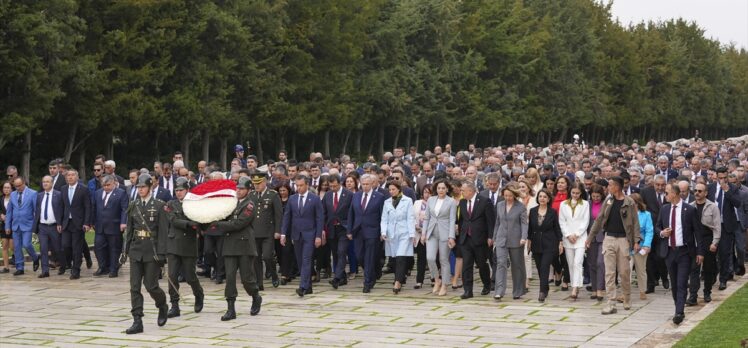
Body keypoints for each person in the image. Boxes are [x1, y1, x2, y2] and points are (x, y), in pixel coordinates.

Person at [205, 176, 263, 320]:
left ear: (248, 190)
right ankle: (231, 309)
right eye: (237, 188)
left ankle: (255, 295)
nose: (239, 191)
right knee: (230, 277)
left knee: (246, 279)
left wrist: (218, 225)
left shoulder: (250, 205)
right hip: (230, 245)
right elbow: (223, 215)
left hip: (244, 246)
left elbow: (239, 224)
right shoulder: (232, 203)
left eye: (242, 189)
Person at [121, 173, 169, 334]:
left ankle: (162, 305)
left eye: (143, 187)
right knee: (134, 287)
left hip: (152, 250)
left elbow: (163, 232)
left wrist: (162, 254)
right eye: (138, 187)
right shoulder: (134, 205)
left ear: (150, 187)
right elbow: (129, 229)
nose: (140, 190)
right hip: (136, 249)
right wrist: (125, 250)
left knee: (151, 286)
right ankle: (137, 320)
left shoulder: (160, 205)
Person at [587, 176, 641, 315]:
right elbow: (599, 219)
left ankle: (627, 297)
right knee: (609, 273)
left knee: (624, 272)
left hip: (623, 240)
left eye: (610, 185)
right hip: (609, 238)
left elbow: (635, 222)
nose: (608, 187)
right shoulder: (608, 200)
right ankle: (610, 303)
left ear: (617, 186)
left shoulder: (629, 202)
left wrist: (636, 241)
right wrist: (590, 236)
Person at [656, 183, 704, 325]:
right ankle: (679, 305)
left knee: (682, 282)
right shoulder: (664, 209)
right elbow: (657, 225)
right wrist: (662, 233)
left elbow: (698, 232)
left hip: (684, 251)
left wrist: (700, 252)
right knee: (675, 283)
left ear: (675, 194)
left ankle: (679, 312)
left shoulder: (689, 209)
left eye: (667, 192)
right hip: (669, 251)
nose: (665, 195)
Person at [164, 177, 204, 318]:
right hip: (174, 243)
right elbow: (173, 219)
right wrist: (189, 223)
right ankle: (174, 305)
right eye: (177, 190)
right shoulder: (170, 203)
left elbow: (200, 219)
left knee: (190, 276)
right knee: (172, 276)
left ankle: (198, 294)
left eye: (181, 190)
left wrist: (195, 223)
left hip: (189, 243)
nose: (179, 193)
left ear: (187, 190)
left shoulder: (194, 204)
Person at [281, 175, 324, 297]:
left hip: (310, 234)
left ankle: (303, 286)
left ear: (307, 185)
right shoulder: (292, 199)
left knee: (306, 259)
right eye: (296, 185)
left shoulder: (314, 199)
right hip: (296, 234)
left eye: (301, 185)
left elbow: (320, 218)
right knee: (300, 261)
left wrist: (318, 236)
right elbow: (287, 217)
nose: (298, 188)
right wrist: (284, 233)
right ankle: (308, 286)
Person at [456, 181, 495, 299]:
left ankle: (487, 284)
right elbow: (461, 220)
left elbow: (490, 221)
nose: (461, 193)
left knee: (481, 264)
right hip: (466, 238)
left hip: (480, 239)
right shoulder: (462, 202)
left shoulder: (484, 201)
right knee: (467, 265)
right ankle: (468, 290)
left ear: (471, 191)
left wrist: (490, 236)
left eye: (463, 190)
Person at [348, 174, 386, 293]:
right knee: (360, 256)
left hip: (372, 231)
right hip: (358, 230)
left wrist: (382, 231)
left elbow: (382, 216)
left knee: (369, 257)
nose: (365, 186)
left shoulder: (379, 197)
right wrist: (349, 230)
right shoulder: (356, 196)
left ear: (372, 184)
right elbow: (351, 214)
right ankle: (373, 273)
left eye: (367, 184)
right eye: (363, 184)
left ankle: (368, 282)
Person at [707, 166, 742, 290]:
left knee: (724, 254)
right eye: (720, 178)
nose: (722, 180)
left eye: (724, 178)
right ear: (716, 177)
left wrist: (727, 192)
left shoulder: (732, 188)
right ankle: (711, 277)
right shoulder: (710, 188)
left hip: (726, 226)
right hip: (711, 226)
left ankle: (723, 279)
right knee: (711, 254)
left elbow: (738, 203)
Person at [687, 181, 721, 305]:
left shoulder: (713, 207)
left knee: (708, 268)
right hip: (695, 240)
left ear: (706, 193)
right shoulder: (690, 206)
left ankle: (707, 292)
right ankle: (693, 296)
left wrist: (715, 242)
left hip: (708, 239)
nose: (697, 193)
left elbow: (717, 227)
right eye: (695, 190)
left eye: (700, 191)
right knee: (694, 269)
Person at [493, 184, 528, 300]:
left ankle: (518, 290)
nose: (507, 198)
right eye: (505, 195)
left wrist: (523, 237)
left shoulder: (521, 207)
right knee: (501, 263)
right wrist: (494, 238)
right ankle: (499, 291)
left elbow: (524, 223)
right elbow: (497, 222)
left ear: (515, 195)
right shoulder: (499, 205)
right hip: (501, 238)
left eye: (510, 196)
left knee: (517, 265)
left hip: (516, 239)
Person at [248, 171, 283, 290]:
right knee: (256, 259)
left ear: (265, 181)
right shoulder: (251, 195)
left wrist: (278, 230)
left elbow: (278, 215)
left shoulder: (273, 194)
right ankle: (259, 283)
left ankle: (273, 274)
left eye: (259, 183)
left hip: (268, 232)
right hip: (254, 232)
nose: (256, 185)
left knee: (267, 256)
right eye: (254, 183)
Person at [380, 180, 415, 294]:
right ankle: (400, 277)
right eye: (389, 190)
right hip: (392, 234)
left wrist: (411, 234)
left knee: (401, 257)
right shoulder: (387, 202)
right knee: (394, 258)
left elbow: (410, 218)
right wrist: (383, 232)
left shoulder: (408, 201)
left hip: (404, 232)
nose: (391, 192)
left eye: (393, 189)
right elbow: (384, 219)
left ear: (399, 189)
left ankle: (397, 282)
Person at [527, 189, 562, 302]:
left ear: (548, 199)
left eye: (544, 197)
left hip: (549, 243)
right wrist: (529, 240)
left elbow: (557, 228)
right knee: (539, 267)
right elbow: (530, 229)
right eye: (540, 196)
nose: (542, 198)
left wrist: (560, 242)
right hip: (536, 243)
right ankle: (545, 287)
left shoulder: (552, 212)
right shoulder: (532, 211)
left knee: (545, 266)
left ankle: (541, 292)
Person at [422, 180, 456, 296]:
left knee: (443, 260)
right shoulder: (431, 200)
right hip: (431, 232)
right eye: (439, 188)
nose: (441, 190)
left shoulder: (451, 202)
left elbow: (452, 220)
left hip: (445, 233)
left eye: (443, 188)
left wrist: (451, 236)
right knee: (430, 258)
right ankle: (437, 279)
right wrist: (423, 233)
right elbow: (427, 217)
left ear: (447, 189)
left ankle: (445, 285)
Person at [92, 175, 129, 277]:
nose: (106, 187)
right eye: (104, 185)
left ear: (113, 183)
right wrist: (92, 222)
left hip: (114, 226)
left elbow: (124, 209)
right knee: (98, 247)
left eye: (108, 185)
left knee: (114, 249)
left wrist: (123, 222)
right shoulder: (97, 193)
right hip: (100, 226)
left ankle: (113, 269)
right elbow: (94, 208)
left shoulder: (121, 193)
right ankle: (102, 267)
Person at [558, 182, 590, 300]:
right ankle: (574, 284)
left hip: (580, 238)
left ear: (581, 193)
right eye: (573, 193)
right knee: (570, 263)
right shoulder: (563, 204)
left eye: (577, 193)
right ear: (570, 192)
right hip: (567, 238)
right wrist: (567, 234)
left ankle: (575, 287)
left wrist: (576, 234)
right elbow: (562, 221)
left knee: (578, 262)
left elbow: (585, 221)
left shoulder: (585, 204)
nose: (575, 195)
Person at [640, 175, 670, 294]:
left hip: (663, 230)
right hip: (649, 230)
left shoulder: (668, 192)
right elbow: (642, 208)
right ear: (653, 184)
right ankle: (651, 283)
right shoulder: (645, 192)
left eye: (662, 185)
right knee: (649, 259)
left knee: (661, 256)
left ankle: (664, 277)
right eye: (658, 185)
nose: (660, 187)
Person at [5, 177, 40, 276]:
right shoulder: (12, 194)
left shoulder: (33, 193)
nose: (17, 188)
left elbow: (36, 211)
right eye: (15, 186)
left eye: (19, 185)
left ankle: (35, 258)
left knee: (26, 244)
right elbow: (9, 212)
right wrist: (7, 226)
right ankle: (20, 268)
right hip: (15, 225)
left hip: (28, 224)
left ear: (24, 183)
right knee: (17, 247)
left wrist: (36, 225)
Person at [60, 170, 92, 279]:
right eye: (68, 175)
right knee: (65, 245)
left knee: (77, 247)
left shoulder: (83, 189)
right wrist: (59, 222)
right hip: (66, 222)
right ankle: (72, 262)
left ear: (77, 177)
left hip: (78, 222)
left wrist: (87, 223)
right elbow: (62, 207)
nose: (70, 177)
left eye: (73, 175)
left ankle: (76, 270)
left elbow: (88, 207)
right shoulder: (63, 189)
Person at [323, 174, 353, 289]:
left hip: (344, 229)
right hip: (331, 229)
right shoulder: (327, 195)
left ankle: (337, 277)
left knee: (341, 252)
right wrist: (323, 229)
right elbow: (324, 213)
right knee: (335, 254)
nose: (333, 188)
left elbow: (352, 213)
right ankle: (343, 278)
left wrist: (350, 229)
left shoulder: (349, 195)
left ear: (340, 183)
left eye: (335, 186)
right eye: (331, 186)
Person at [32, 176, 64, 278]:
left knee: (58, 248)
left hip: (54, 226)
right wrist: (35, 227)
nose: (45, 183)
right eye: (43, 182)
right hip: (42, 227)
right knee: (43, 249)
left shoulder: (58, 195)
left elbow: (62, 210)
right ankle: (45, 271)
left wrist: (60, 223)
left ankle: (63, 265)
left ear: (52, 183)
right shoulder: (40, 195)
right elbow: (37, 211)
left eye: (47, 182)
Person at [629, 193, 653, 300]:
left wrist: (647, 245)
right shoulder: (624, 214)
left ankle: (642, 291)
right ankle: (625, 292)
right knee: (625, 270)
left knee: (641, 269)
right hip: (627, 246)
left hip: (641, 246)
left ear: (638, 203)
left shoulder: (646, 214)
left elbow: (649, 231)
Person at [551, 175, 571, 291]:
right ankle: (558, 270)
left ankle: (566, 280)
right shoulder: (553, 197)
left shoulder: (570, 197)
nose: (560, 184)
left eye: (562, 183)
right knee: (553, 254)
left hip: (567, 229)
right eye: (558, 183)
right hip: (554, 230)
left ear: (567, 185)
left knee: (565, 256)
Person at [587, 184, 606, 300]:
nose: (595, 198)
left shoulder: (606, 203)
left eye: (598, 196)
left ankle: (600, 289)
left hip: (603, 236)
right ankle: (594, 289)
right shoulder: (587, 204)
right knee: (592, 263)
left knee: (600, 262)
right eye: (593, 196)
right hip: (590, 236)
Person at [411, 184, 431, 289]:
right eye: (425, 192)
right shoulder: (417, 203)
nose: (427, 195)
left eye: (429, 192)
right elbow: (412, 216)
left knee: (432, 258)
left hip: (431, 235)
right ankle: (419, 280)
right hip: (419, 234)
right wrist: (416, 226)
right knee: (421, 258)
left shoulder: (435, 203)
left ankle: (434, 278)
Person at [1, 181, 14, 273]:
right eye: (5, 187)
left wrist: (10, 217)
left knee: (12, 246)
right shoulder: (0, 199)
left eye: (8, 187)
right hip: (4, 226)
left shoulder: (15, 198)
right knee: (4, 246)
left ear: (11, 189)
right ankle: (6, 267)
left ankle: (19, 263)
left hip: (13, 225)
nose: (6, 189)